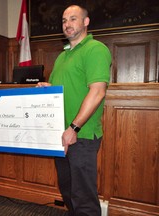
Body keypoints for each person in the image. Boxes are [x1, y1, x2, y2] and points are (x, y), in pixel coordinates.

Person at [37, 5, 111, 216]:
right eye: (64, 20)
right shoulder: (62, 57)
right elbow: (63, 91)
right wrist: (48, 88)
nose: (67, 24)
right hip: (61, 136)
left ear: (86, 22)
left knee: (84, 198)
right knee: (68, 192)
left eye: (73, 19)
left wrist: (73, 128)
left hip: (82, 136)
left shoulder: (96, 49)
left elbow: (97, 92)